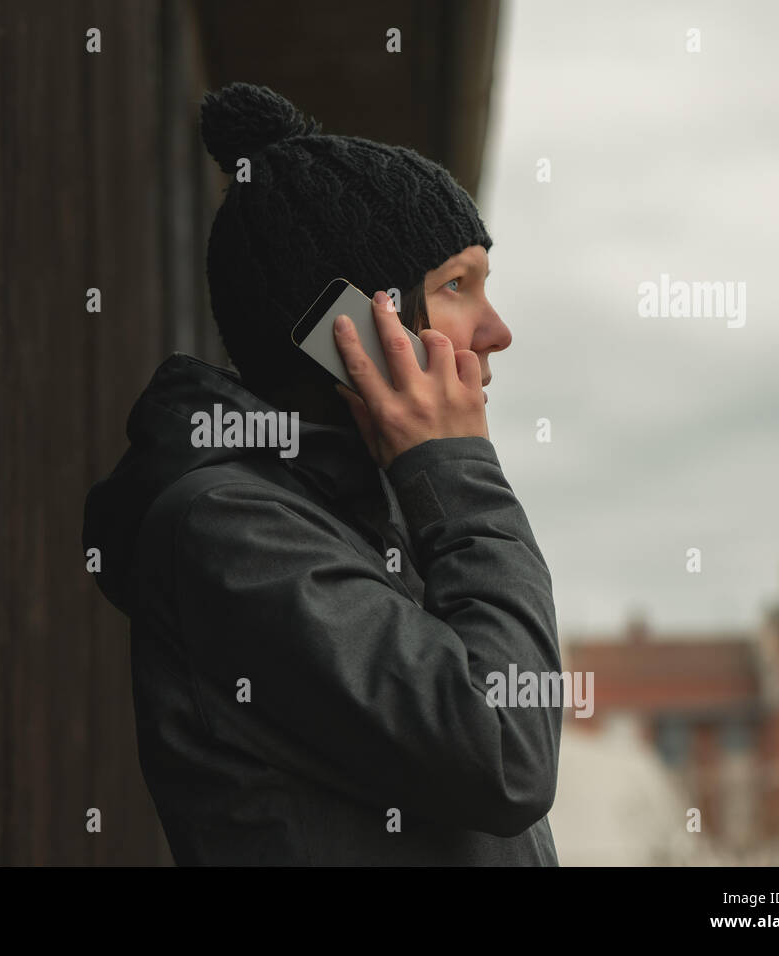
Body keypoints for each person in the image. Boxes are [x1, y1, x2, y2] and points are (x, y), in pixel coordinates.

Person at [82, 82, 562, 865]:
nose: (497, 330)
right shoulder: (230, 530)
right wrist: (456, 470)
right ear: (351, 333)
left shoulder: (371, 507)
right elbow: (506, 748)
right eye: (455, 286)